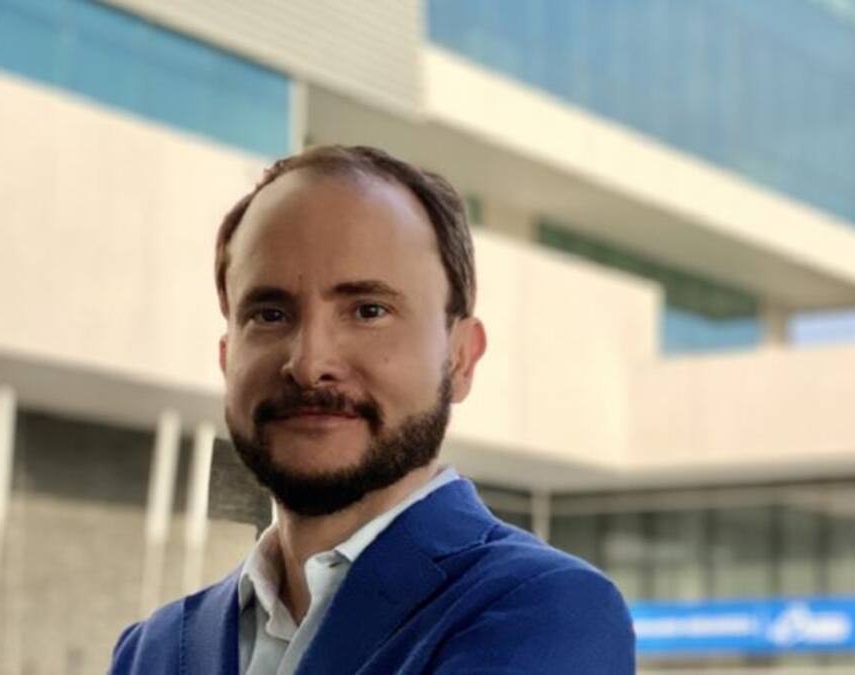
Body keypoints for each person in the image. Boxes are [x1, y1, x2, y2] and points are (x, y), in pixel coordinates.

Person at [109, 145, 636, 674]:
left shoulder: (549, 612)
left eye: (368, 310)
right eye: (269, 314)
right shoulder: (150, 650)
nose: (309, 364)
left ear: (460, 358)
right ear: (227, 358)